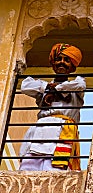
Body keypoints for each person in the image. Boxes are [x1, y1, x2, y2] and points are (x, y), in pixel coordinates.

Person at [19, 43, 85, 171]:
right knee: (30, 168)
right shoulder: (44, 88)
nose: (62, 62)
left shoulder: (75, 87)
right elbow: (25, 86)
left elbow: (81, 84)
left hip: (63, 130)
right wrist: (48, 88)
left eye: (67, 60)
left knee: (55, 171)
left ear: (72, 67)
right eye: (58, 59)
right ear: (53, 64)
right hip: (40, 130)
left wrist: (57, 89)